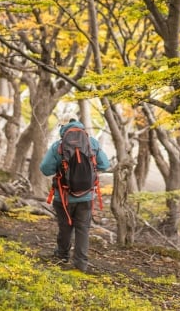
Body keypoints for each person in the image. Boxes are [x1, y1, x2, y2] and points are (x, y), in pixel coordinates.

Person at [39, 117, 110, 272]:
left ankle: (62, 255)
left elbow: (45, 169)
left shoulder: (59, 146)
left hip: (63, 197)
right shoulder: (92, 143)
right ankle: (80, 264)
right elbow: (105, 164)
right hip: (86, 196)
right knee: (83, 228)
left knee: (65, 227)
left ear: (62, 129)